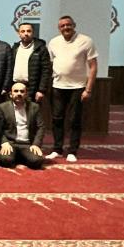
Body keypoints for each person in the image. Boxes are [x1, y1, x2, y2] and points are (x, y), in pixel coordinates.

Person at [46, 15, 98, 163]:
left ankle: (72, 151)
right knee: (57, 119)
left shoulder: (86, 41)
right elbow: (51, 64)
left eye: (68, 25)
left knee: (75, 120)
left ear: (74, 25)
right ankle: (57, 149)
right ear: (59, 28)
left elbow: (93, 66)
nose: (66, 28)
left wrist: (88, 89)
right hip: (58, 86)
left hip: (78, 87)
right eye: (62, 26)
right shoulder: (54, 42)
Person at [0, 82, 45, 169]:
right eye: (16, 91)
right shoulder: (2, 107)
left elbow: (41, 127)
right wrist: (4, 143)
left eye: (22, 91)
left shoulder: (35, 107)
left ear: (26, 94)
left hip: (27, 144)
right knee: (5, 160)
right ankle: (19, 156)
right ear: (11, 94)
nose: (19, 93)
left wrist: (36, 144)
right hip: (10, 143)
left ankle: (20, 156)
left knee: (37, 161)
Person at [11, 23, 52, 103]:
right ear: (18, 33)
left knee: (31, 110)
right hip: (16, 87)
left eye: (28, 31)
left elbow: (46, 71)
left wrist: (41, 90)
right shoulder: (15, 48)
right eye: (23, 31)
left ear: (33, 32)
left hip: (32, 89)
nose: (26, 33)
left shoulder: (41, 48)